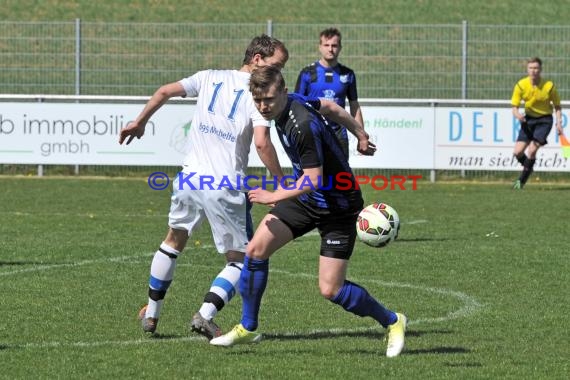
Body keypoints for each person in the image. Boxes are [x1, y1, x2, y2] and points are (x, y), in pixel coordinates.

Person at [210, 65, 407, 358]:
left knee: (331, 290)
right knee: (255, 251)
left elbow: (314, 178)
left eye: (270, 100)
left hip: (338, 206)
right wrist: (360, 133)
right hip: (308, 198)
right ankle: (248, 328)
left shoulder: (299, 124)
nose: (264, 106)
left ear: (284, 93)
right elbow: (330, 106)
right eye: (259, 100)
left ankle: (393, 321)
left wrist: (273, 195)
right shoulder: (292, 103)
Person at [118, 35, 289, 340]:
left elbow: (164, 91)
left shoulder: (209, 77)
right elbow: (262, 143)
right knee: (243, 259)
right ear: (258, 60)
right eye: (278, 66)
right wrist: (281, 184)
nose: (280, 74)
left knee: (172, 242)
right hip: (223, 184)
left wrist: (140, 121)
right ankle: (206, 314)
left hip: (189, 178)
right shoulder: (258, 95)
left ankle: (152, 313)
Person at [294, 27, 364, 158]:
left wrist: (361, 136)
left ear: (340, 47)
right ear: (320, 47)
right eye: (326, 45)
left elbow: (355, 106)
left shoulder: (348, 74)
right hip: (313, 133)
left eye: (334, 45)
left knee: (340, 177)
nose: (330, 49)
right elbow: (297, 105)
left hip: (338, 133)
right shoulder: (307, 73)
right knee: (312, 177)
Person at [511, 56, 564, 189]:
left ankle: (521, 181)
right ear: (527, 69)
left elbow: (557, 106)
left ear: (540, 70)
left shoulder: (549, 86)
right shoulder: (521, 85)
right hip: (528, 120)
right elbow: (514, 108)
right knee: (517, 152)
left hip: (544, 120)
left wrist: (559, 123)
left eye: (536, 68)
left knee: (532, 149)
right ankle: (529, 167)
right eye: (531, 68)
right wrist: (518, 116)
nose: (533, 70)